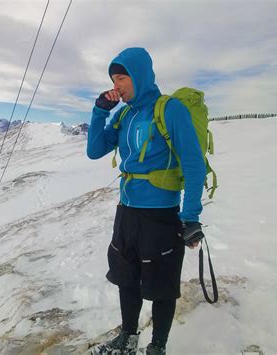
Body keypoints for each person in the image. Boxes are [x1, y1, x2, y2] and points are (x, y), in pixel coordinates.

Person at [87, 47, 207, 355]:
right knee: (127, 278)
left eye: (122, 77)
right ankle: (128, 338)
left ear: (139, 76)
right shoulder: (125, 114)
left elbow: (193, 163)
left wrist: (191, 216)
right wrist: (100, 110)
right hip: (127, 212)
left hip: (161, 215)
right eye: (114, 79)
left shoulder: (170, 110)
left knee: (162, 285)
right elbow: (95, 149)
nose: (117, 85)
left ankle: (157, 347)